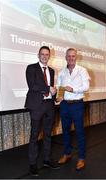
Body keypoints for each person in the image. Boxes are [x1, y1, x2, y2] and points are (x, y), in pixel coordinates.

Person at [25, 46, 59, 176]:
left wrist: (55, 97)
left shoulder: (51, 70)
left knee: (48, 135)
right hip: (36, 106)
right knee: (34, 136)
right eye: (42, 54)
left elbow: (51, 89)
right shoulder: (31, 68)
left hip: (49, 105)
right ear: (38, 55)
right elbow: (32, 85)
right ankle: (32, 164)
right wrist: (48, 88)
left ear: (49, 56)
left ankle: (46, 160)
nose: (44, 56)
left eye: (47, 54)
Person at [56, 48, 90, 170]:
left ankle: (81, 158)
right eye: (69, 56)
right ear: (66, 57)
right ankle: (67, 154)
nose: (71, 58)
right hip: (64, 105)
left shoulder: (82, 70)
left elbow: (86, 86)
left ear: (76, 57)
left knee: (79, 131)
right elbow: (59, 86)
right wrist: (59, 96)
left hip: (77, 105)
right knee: (65, 131)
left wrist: (73, 89)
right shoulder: (61, 72)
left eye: (73, 56)